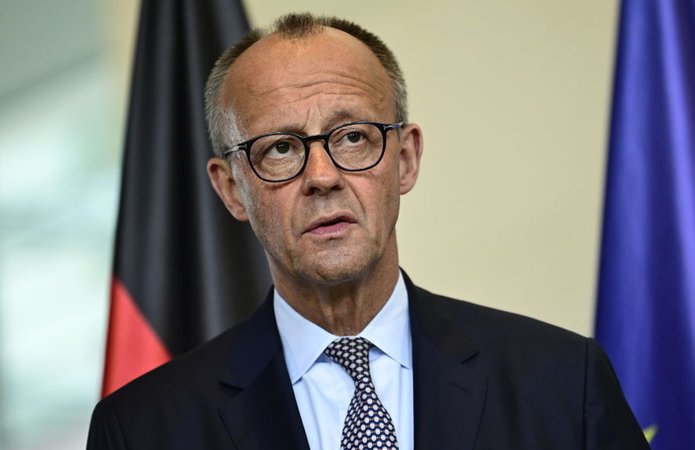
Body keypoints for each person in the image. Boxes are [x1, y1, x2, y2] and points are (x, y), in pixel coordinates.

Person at [87, 12, 649, 450]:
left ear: (404, 159)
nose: (323, 177)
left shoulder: (559, 382)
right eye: (281, 149)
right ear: (232, 189)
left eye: (353, 137)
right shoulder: (143, 430)